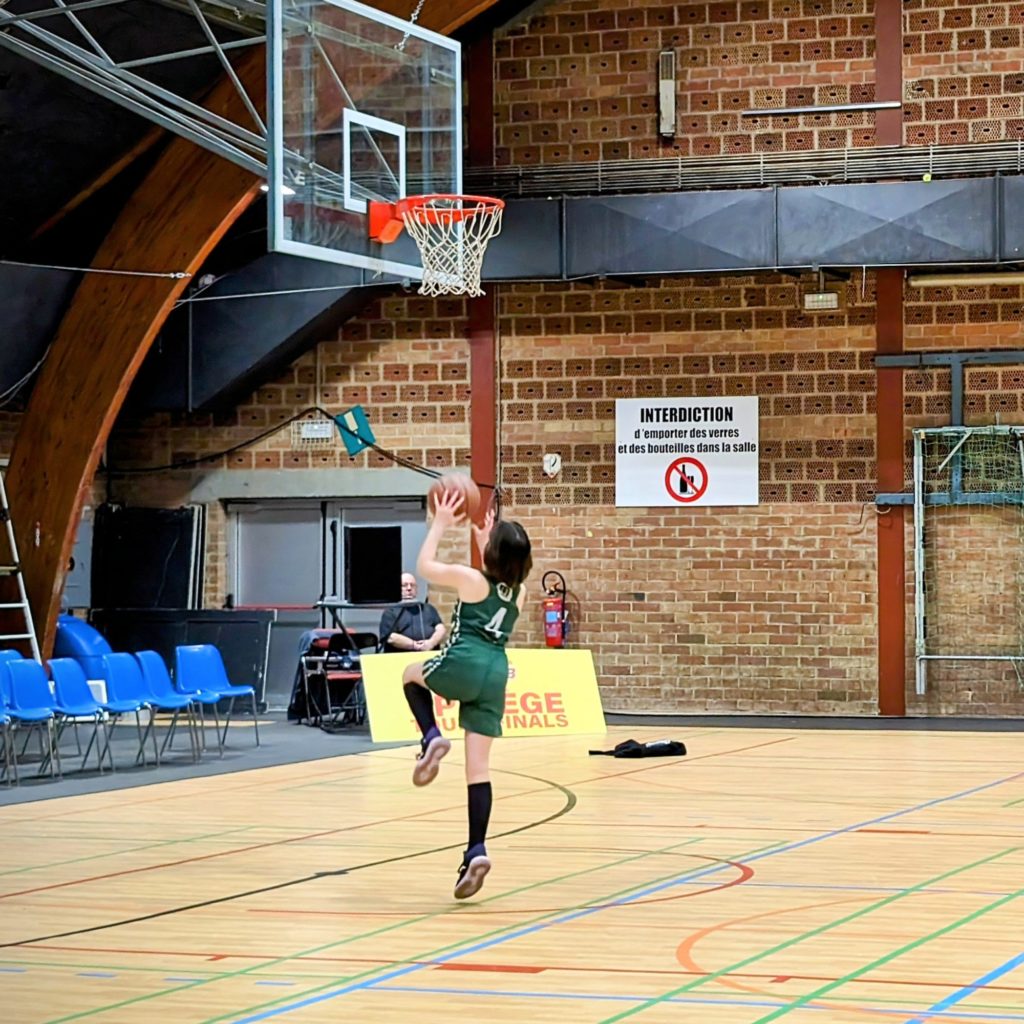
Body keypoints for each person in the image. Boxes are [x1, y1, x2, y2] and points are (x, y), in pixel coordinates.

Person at [401, 489, 532, 900]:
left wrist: (441, 523)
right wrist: (485, 537)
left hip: (466, 659)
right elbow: (498, 572)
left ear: (491, 554)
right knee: (479, 770)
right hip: (495, 673)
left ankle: (431, 737)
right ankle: (476, 849)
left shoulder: (472, 581)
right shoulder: (520, 592)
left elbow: (425, 566)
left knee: (410, 675)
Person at [378, 573, 446, 653]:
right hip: (402, 656)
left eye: (412, 585)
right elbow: (390, 637)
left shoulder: (428, 608)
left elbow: (441, 629)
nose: (409, 588)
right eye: (404, 585)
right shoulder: (391, 611)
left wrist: (430, 643)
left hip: (429, 655)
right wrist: (414, 645)